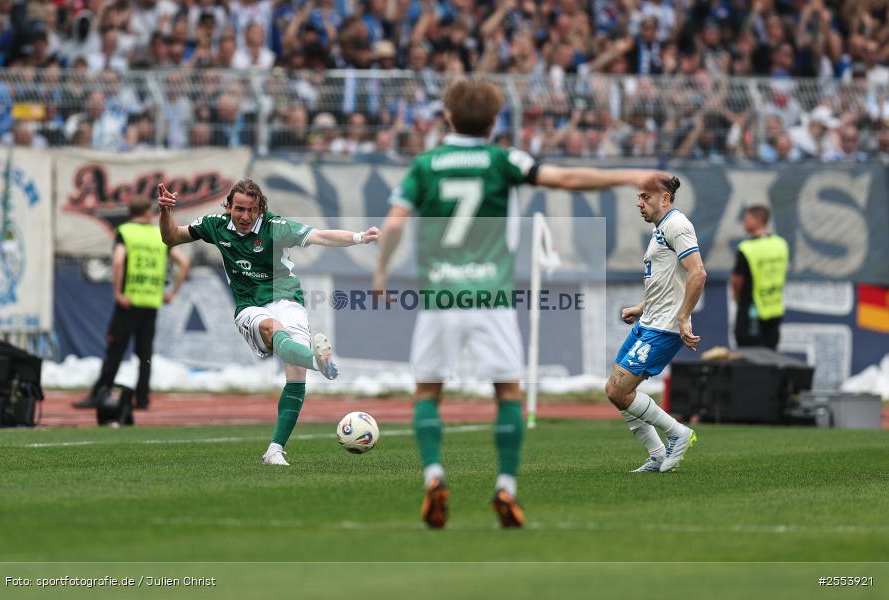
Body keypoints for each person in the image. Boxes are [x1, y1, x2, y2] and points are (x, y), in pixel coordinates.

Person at [373, 78, 663, 529]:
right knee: (507, 392)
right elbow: (564, 178)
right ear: (493, 121)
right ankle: (505, 487)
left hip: (440, 297)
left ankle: (434, 477)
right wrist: (626, 175)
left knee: (428, 392)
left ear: (447, 117)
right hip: (491, 296)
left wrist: (381, 272)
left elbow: (393, 225)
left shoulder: (425, 165)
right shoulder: (503, 159)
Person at [157, 178, 380, 466]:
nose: (245, 217)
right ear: (229, 207)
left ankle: (274, 450)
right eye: (239, 209)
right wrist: (165, 211)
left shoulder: (276, 228)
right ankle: (319, 362)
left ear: (260, 208)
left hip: (286, 297)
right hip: (249, 305)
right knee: (274, 331)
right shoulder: (214, 225)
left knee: (295, 371)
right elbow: (171, 237)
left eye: (251, 210)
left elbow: (320, 236)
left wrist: (359, 237)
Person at [607, 175, 706, 474]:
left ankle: (677, 433)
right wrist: (639, 308)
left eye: (645, 197)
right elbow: (667, 282)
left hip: (663, 328)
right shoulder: (661, 229)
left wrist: (683, 316)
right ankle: (657, 454)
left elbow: (698, 273)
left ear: (665, 198)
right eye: (638, 197)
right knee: (615, 390)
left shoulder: (677, 225)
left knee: (619, 391)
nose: (639, 203)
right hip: (649, 321)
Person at [74, 196, 190, 410]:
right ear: (148, 212)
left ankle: (100, 393)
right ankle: (143, 398)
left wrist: (118, 292)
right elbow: (184, 263)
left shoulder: (125, 232)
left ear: (131, 212)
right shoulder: (158, 234)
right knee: (145, 354)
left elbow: (118, 261)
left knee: (115, 351)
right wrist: (171, 292)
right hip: (151, 302)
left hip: (129, 302)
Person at [731, 205, 789, 349]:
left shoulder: (747, 248)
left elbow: (737, 281)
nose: (743, 222)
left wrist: (736, 297)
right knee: (770, 353)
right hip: (775, 307)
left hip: (752, 308)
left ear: (758, 220)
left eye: (746, 219)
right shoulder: (781, 244)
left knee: (749, 354)